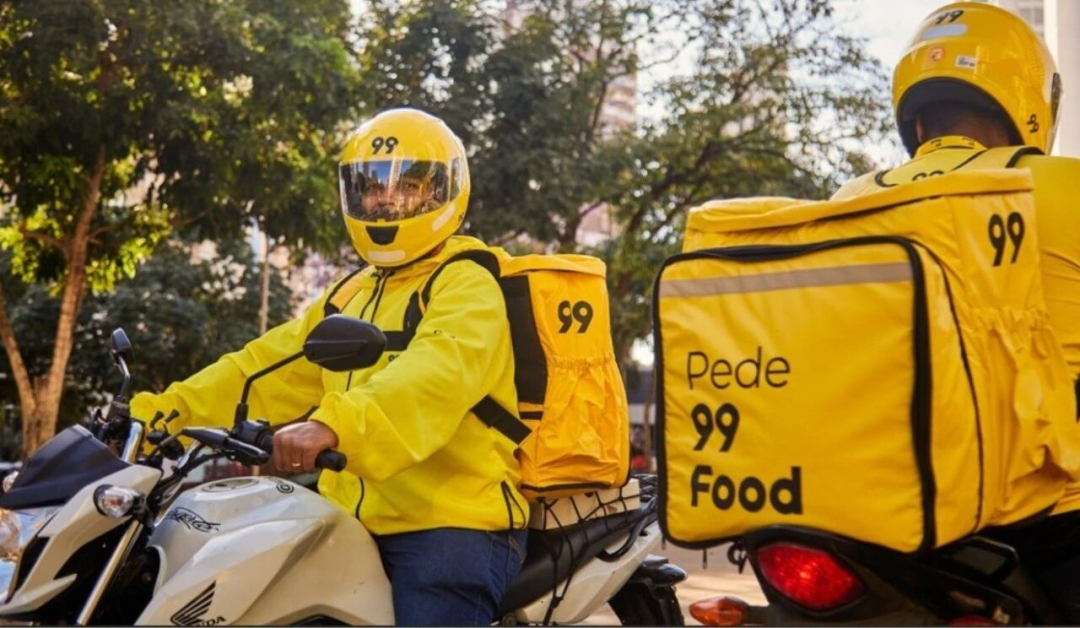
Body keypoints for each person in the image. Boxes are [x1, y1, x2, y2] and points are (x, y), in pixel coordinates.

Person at [132, 108, 528, 626]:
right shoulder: (353, 293)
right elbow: (265, 365)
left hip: (450, 524)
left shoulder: (466, 283)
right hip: (347, 518)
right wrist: (158, 415)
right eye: (372, 186)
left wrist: (332, 425)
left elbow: (436, 374)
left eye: (408, 186)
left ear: (442, 192)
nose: (385, 200)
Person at [833, 2, 1080, 619]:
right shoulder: (1065, 185)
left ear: (916, 120)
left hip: (876, 513)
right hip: (1048, 521)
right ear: (1028, 104)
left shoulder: (846, 202)